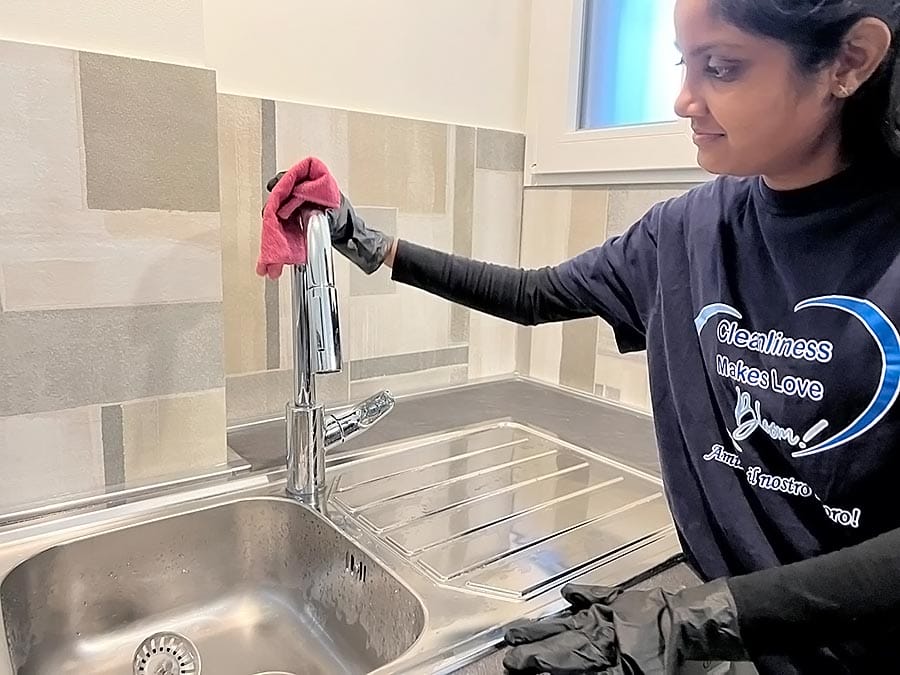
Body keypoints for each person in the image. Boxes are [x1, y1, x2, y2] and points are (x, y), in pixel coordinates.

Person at [267, 0, 900, 671]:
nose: (685, 100)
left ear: (849, 61)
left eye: (722, 67)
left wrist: (695, 618)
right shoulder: (684, 233)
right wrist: (362, 240)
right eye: (686, 64)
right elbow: (535, 293)